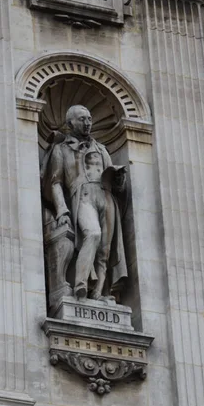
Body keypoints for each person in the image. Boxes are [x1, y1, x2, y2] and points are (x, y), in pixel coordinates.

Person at [42, 105, 128, 302]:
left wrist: (119, 180)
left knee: (105, 251)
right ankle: (80, 286)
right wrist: (62, 209)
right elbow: (55, 182)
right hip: (82, 196)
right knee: (93, 234)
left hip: (106, 196)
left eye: (89, 118)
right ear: (70, 122)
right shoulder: (61, 149)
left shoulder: (102, 149)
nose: (87, 123)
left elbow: (116, 182)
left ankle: (99, 292)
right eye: (82, 119)